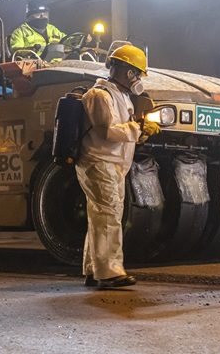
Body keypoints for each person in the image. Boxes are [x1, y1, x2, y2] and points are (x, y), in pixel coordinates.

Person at [77, 44, 160, 289]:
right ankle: (109, 273)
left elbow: (122, 132)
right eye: (137, 73)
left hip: (113, 164)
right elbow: (108, 131)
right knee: (108, 216)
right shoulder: (99, 95)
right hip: (99, 162)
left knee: (102, 216)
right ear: (126, 71)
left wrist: (142, 132)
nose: (138, 79)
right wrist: (139, 128)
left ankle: (95, 269)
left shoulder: (122, 96)